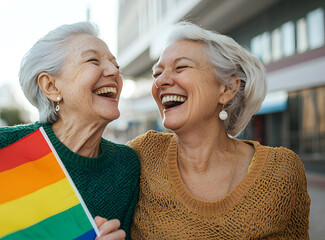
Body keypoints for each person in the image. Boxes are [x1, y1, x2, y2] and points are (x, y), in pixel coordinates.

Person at [127, 21, 310, 239]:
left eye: (181, 67)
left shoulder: (282, 170)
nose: (161, 81)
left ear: (227, 89)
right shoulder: (142, 154)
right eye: (157, 73)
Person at [0, 22, 140, 240]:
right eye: (93, 60)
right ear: (51, 87)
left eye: (116, 65)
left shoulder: (125, 165)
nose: (114, 71)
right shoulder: (1, 147)